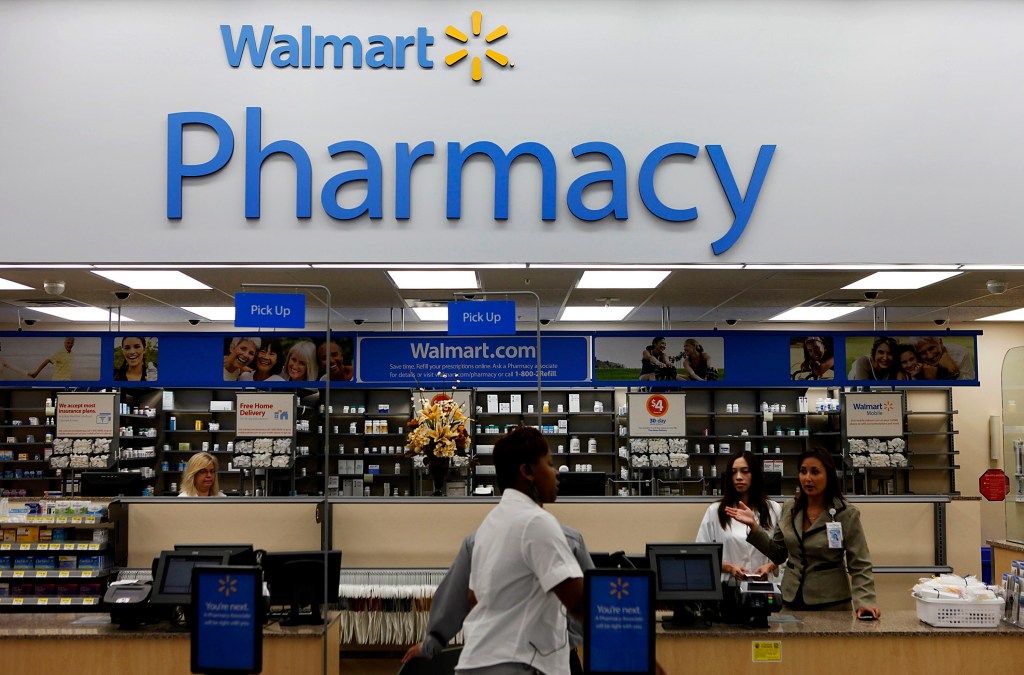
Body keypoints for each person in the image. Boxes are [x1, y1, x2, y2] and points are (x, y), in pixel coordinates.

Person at [454, 426, 584, 675]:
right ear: (527, 471)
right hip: (518, 665)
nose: (556, 473)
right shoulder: (536, 522)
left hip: (478, 662)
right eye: (549, 463)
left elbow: (473, 597)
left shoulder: (490, 524)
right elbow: (578, 603)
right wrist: (632, 653)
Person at [402, 524, 594, 675]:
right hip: (550, 655)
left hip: (499, 656)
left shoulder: (478, 541)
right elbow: (593, 603)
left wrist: (431, 645)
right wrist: (566, 640)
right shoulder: (568, 539)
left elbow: (454, 600)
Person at [726, 448, 881, 619]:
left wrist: (865, 601)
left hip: (831, 602)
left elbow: (860, 564)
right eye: (803, 471)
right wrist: (754, 527)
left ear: (828, 475)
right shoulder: (790, 508)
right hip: (790, 600)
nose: (808, 478)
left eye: (815, 472)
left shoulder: (845, 513)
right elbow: (778, 553)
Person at [697, 452, 781, 585]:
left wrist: (769, 567)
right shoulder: (715, 511)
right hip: (729, 586)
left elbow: (783, 553)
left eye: (745, 471)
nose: (738, 477)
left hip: (765, 586)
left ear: (755, 475)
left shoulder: (773, 510)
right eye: (733, 472)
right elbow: (701, 555)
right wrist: (730, 568)